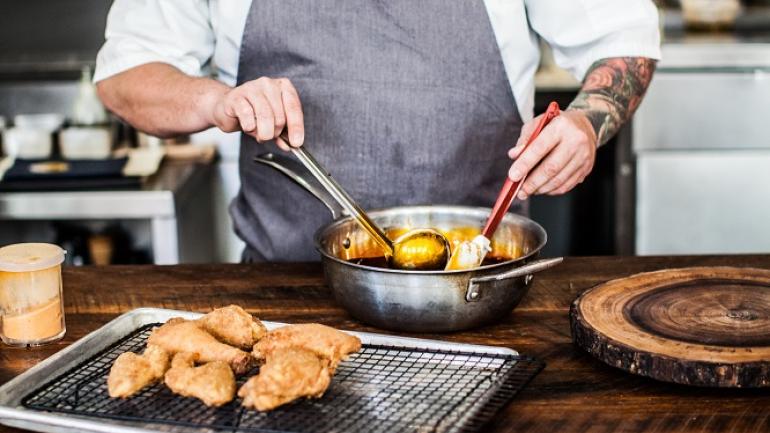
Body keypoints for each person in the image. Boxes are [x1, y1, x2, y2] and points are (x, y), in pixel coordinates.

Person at [94, 1, 660, 261]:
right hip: (283, 302)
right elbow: (124, 76)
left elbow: (623, 37)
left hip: (477, 292)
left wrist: (587, 123)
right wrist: (216, 100)